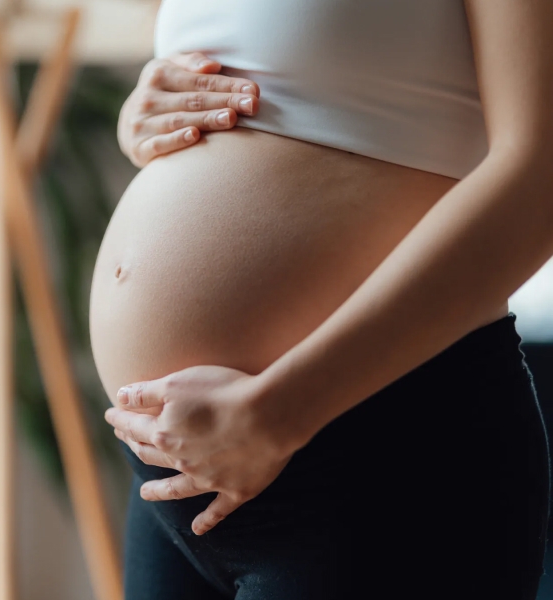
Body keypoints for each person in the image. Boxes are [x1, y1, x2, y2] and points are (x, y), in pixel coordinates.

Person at [88, 1, 553, 598]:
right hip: (181, 473)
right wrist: (145, 118)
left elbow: (539, 179)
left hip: (382, 461)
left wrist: (279, 412)